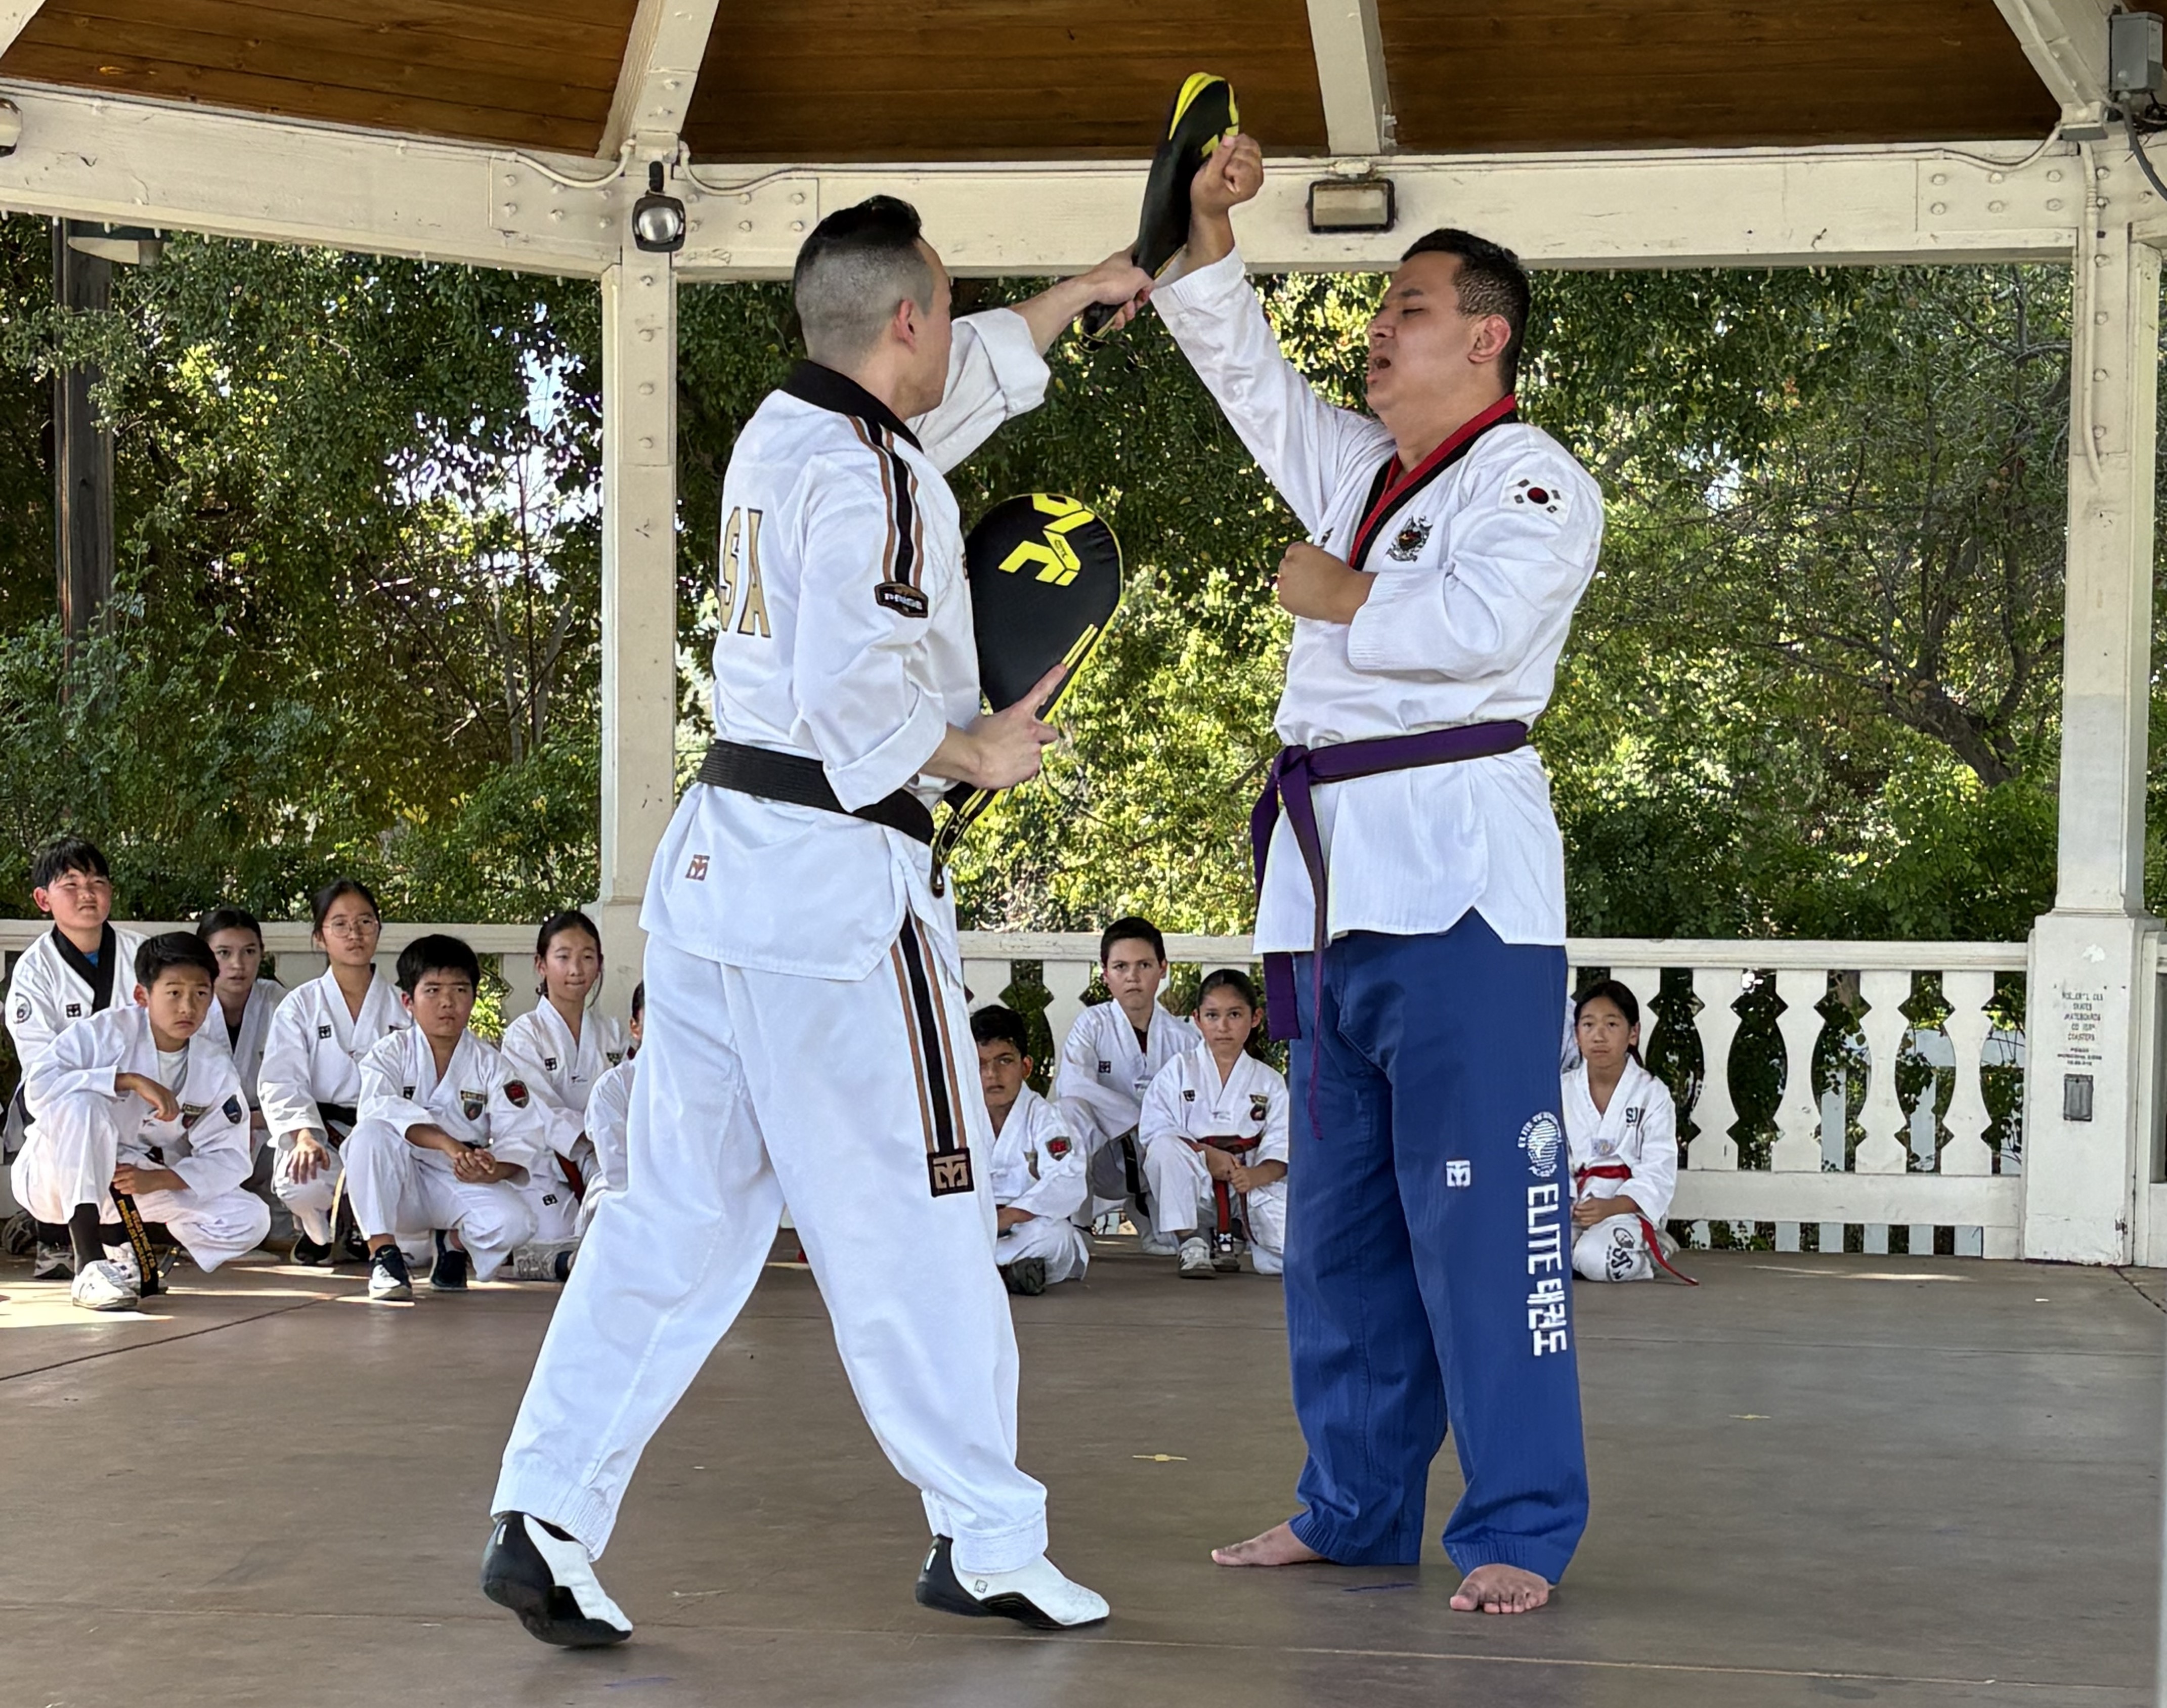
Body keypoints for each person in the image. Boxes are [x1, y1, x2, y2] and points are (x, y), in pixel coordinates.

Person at [484, 196, 1150, 1648]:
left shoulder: (788, 438)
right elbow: (863, 696)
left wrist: (1075, 295)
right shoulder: (885, 483)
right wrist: (977, 749)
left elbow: (952, 388)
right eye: (946, 304)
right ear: (904, 317)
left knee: (672, 1217)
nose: (957, 327)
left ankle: (543, 1511)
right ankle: (984, 1534)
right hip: (843, 901)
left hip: (722, 871)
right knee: (923, 1217)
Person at [1155, 135, 1604, 1612]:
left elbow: (1474, 631)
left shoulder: (1535, 485)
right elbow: (1246, 378)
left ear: (1487, 334)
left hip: (1464, 893)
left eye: (1407, 306)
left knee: (1486, 1227)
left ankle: (1520, 1527)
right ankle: (1350, 1505)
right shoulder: (1360, 471)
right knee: (1338, 1233)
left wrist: (1339, 594)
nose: (1379, 326)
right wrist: (1206, 227)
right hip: (1333, 896)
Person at [15, 933, 269, 1311]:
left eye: (201, 994)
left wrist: (160, 1179)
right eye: (174, 992)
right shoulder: (103, 1033)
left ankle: (122, 1255)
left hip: (129, 1181)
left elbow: (229, 1154)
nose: (188, 1006)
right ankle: (88, 1264)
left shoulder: (212, 1065)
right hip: (55, 1174)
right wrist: (125, 1079)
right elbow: (38, 1088)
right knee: (84, 1103)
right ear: (142, 996)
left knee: (249, 1216)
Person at [342, 934, 543, 1302]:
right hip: (396, 1182)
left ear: (474, 997)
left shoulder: (492, 1064)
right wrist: (447, 1143)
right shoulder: (388, 1054)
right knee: (369, 1134)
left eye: (460, 990)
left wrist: (491, 1168)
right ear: (408, 1001)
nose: (447, 1002)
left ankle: (450, 1241)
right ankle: (383, 1253)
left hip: (455, 1178)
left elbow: (522, 1134)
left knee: (516, 1222)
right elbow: (378, 1109)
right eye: (432, 990)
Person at [4, 836, 147, 1281]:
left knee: (236, 1217)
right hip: (65, 1112)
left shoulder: (143, 955)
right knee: (80, 1109)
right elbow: (44, 1073)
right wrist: (114, 1079)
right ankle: (73, 1246)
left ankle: (122, 1240)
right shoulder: (33, 971)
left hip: (141, 1108)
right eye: (72, 883)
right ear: (44, 899)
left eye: (98, 882)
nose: (88, 893)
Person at [255, 879, 409, 1265]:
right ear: (321, 937)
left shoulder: (403, 1005)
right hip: (323, 1130)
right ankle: (319, 1229)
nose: (354, 934)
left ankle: (362, 1228)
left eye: (365, 922)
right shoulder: (300, 1005)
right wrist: (304, 1134)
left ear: (379, 929)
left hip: (382, 1132)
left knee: (417, 1245)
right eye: (339, 924)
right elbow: (281, 1078)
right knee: (301, 1182)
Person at [1052, 917, 1197, 1247]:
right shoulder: (1092, 1025)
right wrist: (1138, 1116)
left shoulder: (1185, 1039)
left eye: (1144, 965)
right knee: (1069, 1111)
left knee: (1168, 1248)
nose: (1133, 976)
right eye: (1120, 966)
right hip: (1101, 1160)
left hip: (1156, 1162)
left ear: (1163, 968)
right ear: (1105, 975)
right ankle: (1077, 1226)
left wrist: (1153, 1127)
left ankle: (1153, 1212)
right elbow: (1073, 1085)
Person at [1137, 970, 1289, 1280]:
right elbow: (1155, 1129)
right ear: (1197, 1019)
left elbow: (1283, 1144)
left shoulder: (1270, 1082)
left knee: (1297, 1245)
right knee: (1164, 1148)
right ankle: (1190, 1241)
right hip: (1195, 1189)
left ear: (1255, 1017)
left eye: (1235, 1014)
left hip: (1248, 1189)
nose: (1223, 1027)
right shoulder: (1179, 1070)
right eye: (1212, 1015)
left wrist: (1255, 1176)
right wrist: (1206, 1155)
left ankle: (1237, 1232)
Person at [499, 910, 627, 1258]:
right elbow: (539, 1108)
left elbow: (626, 1097)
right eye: (564, 957)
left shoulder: (613, 1033)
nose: (576, 969)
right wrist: (591, 1139)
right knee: (552, 1234)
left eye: (588, 957)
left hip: (606, 1152)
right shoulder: (524, 1035)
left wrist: (610, 1140)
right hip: (545, 1163)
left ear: (600, 964)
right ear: (541, 964)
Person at [1563, 980, 1683, 1284]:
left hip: (1625, 1210)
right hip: (1576, 1208)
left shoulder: (1652, 1095)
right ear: (1577, 1035)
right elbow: (1549, 1158)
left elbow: (1659, 1170)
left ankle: (1650, 1252)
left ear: (1633, 1033)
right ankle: (1582, 1250)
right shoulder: (1562, 1091)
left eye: (1611, 1024)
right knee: (1529, 1254)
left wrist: (1612, 1206)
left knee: (1595, 1258)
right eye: (1588, 1025)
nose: (1599, 1035)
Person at [973, 1004, 1089, 1294]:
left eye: (1004, 1061)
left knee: (1058, 1237)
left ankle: (978, 1271)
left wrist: (1009, 1216)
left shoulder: (1046, 1119)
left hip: (1026, 1226)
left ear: (1025, 1066)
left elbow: (1067, 1179)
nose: (991, 1074)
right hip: (972, 1226)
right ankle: (1005, 1270)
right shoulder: (956, 1122)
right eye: (980, 1064)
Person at [197, 906, 287, 1147]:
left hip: (269, 1127)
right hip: (200, 1129)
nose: (238, 964)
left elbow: (300, 1084)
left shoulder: (282, 1005)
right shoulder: (186, 1006)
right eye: (224, 953)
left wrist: (249, 1123)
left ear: (262, 953)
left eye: (249, 951)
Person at [574, 980, 642, 1240]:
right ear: (635, 1028)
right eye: (658, 1017)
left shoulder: (702, 1085)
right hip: (626, 1189)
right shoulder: (613, 1087)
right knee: (608, 1208)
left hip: (688, 1195)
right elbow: (617, 1169)